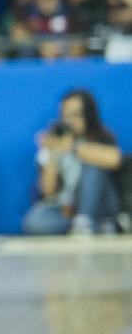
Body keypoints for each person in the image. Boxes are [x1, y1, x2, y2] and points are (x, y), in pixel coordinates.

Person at [23, 89, 124, 236]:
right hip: (66, 209)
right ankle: (92, 227)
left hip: (100, 205)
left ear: (88, 116)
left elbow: (114, 159)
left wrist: (73, 147)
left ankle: (87, 221)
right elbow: (48, 191)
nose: (69, 121)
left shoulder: (101, 137)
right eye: (65, 115)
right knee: (33, 222)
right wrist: (52, 155)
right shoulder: (55, 140)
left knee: (93, 164)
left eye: (75, 115)